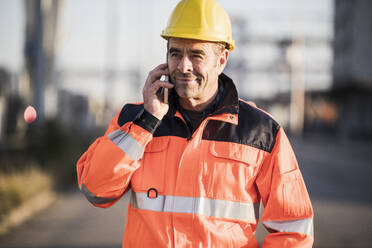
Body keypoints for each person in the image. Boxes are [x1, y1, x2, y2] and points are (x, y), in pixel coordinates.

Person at [76, 0, 314, 247]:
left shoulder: (261, 131)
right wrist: (146, 123)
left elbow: (294, 229)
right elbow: (96, 190)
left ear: (221, 60)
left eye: (196, 55)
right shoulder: (133, 121)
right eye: (175, 53)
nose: (183, 66)